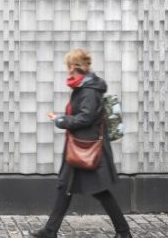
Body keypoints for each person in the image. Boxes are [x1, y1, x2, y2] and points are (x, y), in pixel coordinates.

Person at [28, 48, 132, 238]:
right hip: (78, 145)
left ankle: (123, 231)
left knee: (99, 191)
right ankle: (50, 231)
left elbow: (85, 118)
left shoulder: (89, 91)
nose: (68, 71)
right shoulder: (84, 87)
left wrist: (62, 120)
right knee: (63, 187)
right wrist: (64, 119)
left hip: (88, 147)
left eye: (69, 66)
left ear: (75, 67)